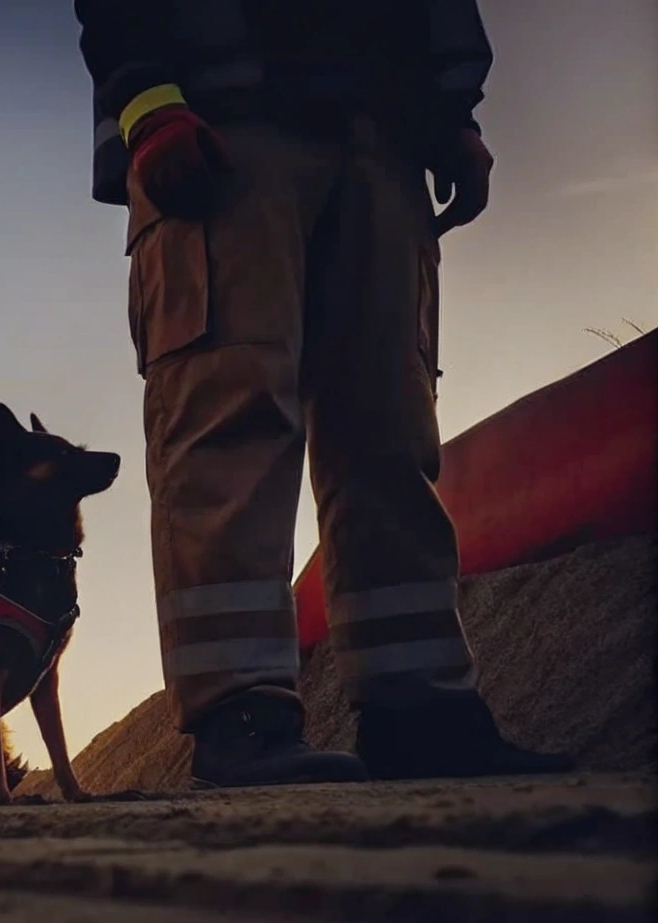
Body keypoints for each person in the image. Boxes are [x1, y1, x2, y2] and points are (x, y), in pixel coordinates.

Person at [73, 0, 574, 787]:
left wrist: (452, 114)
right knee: (230, 425)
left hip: (384, 138)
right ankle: (242, 715)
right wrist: (148, 101)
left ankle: (423, 714)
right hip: (215, 128)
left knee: (390, 433)